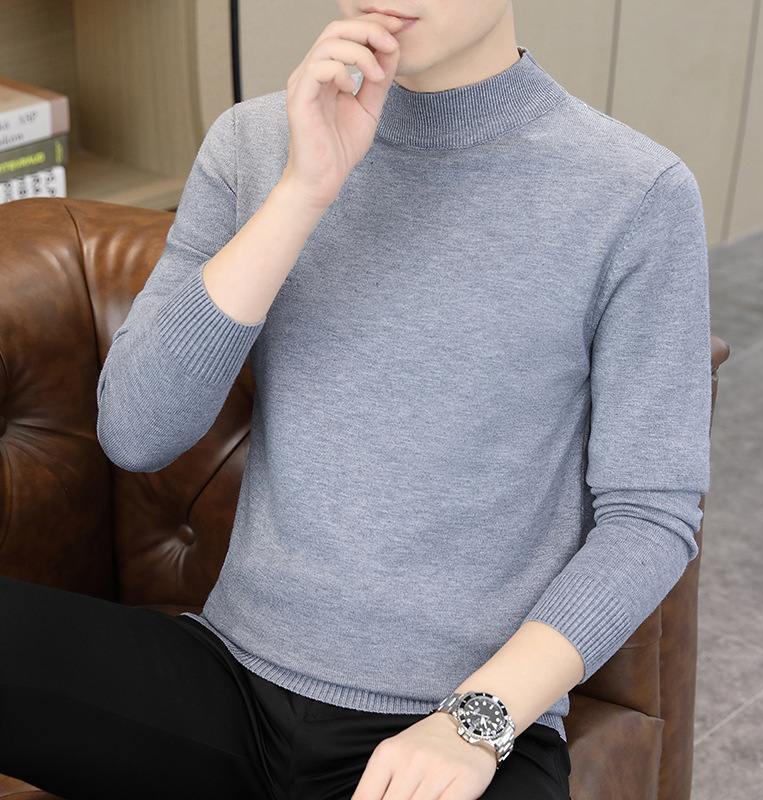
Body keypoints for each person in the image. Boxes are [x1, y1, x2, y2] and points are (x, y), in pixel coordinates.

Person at [0, 2, 711, 798]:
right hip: (226, 685)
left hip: (451, 720)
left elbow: (649, 518)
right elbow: (137, 433)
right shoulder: (253, 143)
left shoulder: (635, 192)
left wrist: (475, 723)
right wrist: (303, 191)